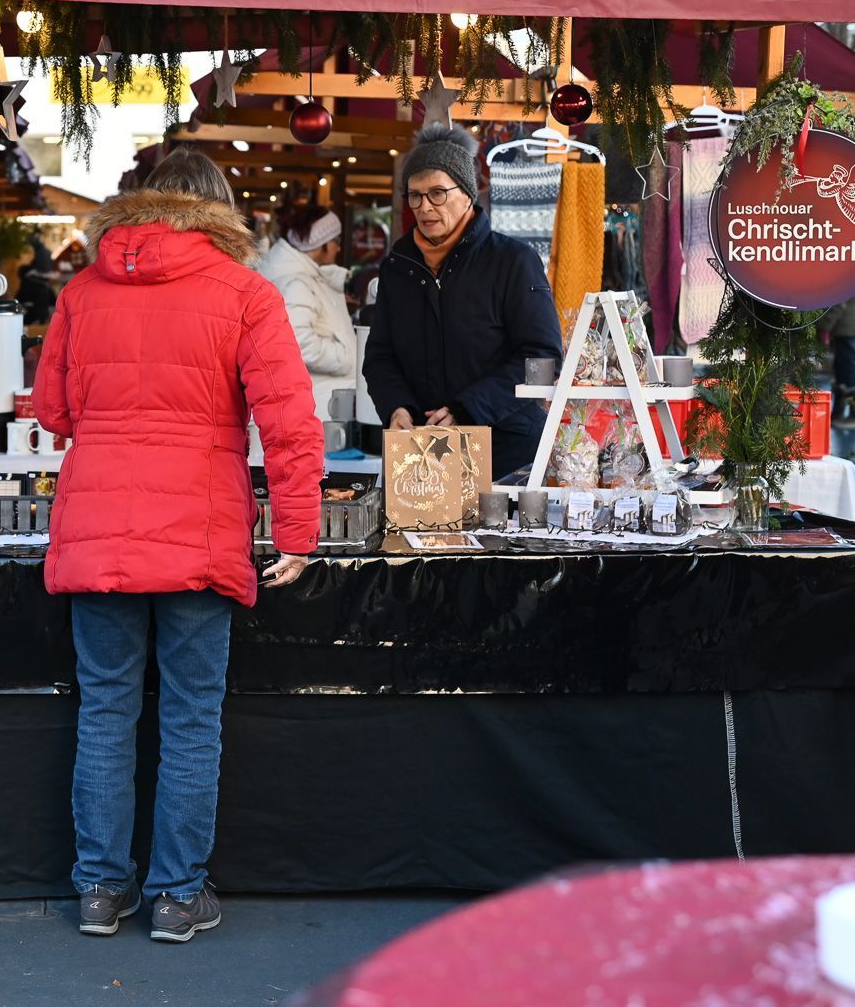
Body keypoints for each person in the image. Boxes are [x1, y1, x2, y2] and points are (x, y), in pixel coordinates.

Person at [33, 149, 323, 943]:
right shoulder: (246, 292)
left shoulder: (81, 293)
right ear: (220, 211)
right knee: (192, 718)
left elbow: (52, 412)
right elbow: (290, 424)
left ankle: (98, 889)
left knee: (105, 712)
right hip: (199, 532)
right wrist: (296, 529)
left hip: (97, 533)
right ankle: (176, 897)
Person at [365, 124, 561, 476]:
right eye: (415, 195)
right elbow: (380, 357)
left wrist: (468, 408)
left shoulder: (512, 261)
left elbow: (542, 360)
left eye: (438, 193)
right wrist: (396, 407)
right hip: (424, 458)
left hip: (507, 455)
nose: (424, 207)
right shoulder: (398, 268)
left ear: (467, 193)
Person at [259, 205, 355, 425]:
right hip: (318, 406)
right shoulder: (297, 283)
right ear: (321, 244)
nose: (338, 248)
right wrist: (346, 356)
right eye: (336, 241)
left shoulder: (301, 276)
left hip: (319, 404)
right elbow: (299, 343)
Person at [818, 287, 855, 428]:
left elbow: (839, 301)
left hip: (847, 323)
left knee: (847, 366)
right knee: (841, 365)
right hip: (853, 320)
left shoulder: (846, 268)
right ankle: (838, 413)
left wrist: (825, 326)